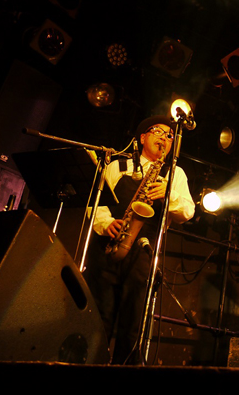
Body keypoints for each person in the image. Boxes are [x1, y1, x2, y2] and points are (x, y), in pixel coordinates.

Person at [84, 115, 195, 364]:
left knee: (134, 325)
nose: (164, 138)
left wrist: (169, 194)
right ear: (143, 138)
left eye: (169, 135)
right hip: (107, 248)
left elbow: (188, 212)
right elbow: (94, 202)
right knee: (98, 319)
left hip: (143, 255)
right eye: (158, 132)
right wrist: (106, 223)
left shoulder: (175, 173)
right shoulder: (118, 165)